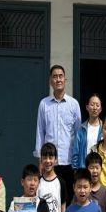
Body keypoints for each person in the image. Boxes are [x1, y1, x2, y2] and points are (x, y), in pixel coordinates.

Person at [34, 65, 81, 204]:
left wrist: (77, 162)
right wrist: (40, 160)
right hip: (49, 161)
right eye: (55, 77)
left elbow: (78, 134)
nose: (58, 79)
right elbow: (40, 132)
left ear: (65, 80)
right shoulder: (44, 104)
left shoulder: (73, 104)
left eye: (61, 76)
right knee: (49, 199)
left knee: (68, 198)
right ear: (50, 81)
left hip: (68, 161)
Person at [72, 94, 102, 169]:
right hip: (84, 169)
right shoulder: (81, 129)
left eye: (97, 105)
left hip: (99, 170)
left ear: (101, 109)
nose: (95, 108)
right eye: (92, 105)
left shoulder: (104, 129)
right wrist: (76, 170)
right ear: (87, 107)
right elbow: (75, 153)